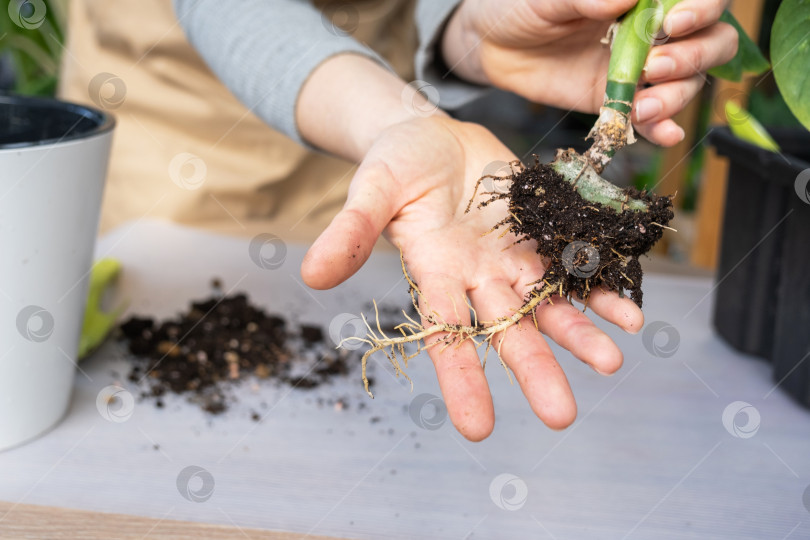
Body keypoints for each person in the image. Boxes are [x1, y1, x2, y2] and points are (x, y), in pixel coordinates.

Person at [60, 0, 737, 441]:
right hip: (175, 142)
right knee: (152, 408)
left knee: (343, 409)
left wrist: (466, 31)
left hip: (400, 165)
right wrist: (399, 121)